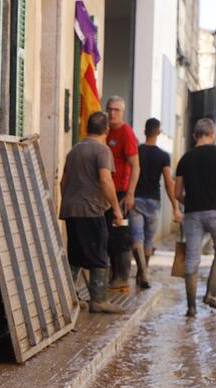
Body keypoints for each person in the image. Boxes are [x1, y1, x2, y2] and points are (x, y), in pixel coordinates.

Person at [60, 111, 125, 313]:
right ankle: (99, 300)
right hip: (92, 210)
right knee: (99, 255)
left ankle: (69, 298)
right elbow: (105, 180)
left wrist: (71, 201)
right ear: (106, 129)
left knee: (75, 255)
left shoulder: (74, 150)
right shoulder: (102, 150)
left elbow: (63, 182)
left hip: (71, 210)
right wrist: (116, 208)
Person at [175, 118, 216, 317]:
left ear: (194, 136)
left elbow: (177, 193)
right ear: (212, 135)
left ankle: (191, 307)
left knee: (192, 258)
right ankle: (211, 294)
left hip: (192, 213)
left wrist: (191, 201)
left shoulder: (185, 158)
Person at [130, 118, 181, 289]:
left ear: (145, 131)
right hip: (153, 201)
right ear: (158, 132)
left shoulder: (136, 152)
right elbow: (168, 182)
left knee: (137, 237)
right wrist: (175, 207)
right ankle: (143, 272)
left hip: (136, 199)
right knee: (148, 240)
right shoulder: (163, 155)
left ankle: (142, 271)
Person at [104, 96, 140, 290]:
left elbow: (136, 166)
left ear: (122, 112)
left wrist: (131, 194)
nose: (112, 113)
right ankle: (113, 275)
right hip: (105, 193)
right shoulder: (105, 130)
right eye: (110, 109)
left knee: (120, 234)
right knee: (108, 235)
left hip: (121, 194)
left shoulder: (126, 133)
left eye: (116, 110)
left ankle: (123, 277)